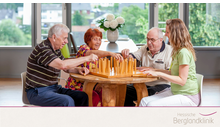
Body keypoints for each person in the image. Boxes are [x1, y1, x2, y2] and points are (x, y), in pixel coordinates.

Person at [25, 23, 98, 106]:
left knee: (82, 96)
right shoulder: (43, 49)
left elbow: (66, 68)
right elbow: (62, 65)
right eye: (64, 38)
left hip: (53, 88)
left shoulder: (56, 49)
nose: (66, 41)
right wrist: (86, 58)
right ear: (54, 37)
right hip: (37, 92)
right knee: (67, 100)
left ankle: (79, 118)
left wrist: (77, 69)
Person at [139, 18, 200, 106]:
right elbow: (172, 72)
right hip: (176, 92)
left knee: (151, 105)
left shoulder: (183, 52)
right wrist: (153, 70)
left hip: (187, 96)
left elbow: (182, 81)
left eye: (167, 32)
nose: (165, 34)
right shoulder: (176, 51)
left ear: (175, 34)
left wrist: (159, 74)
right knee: (144, 101)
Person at [65, 28, 123, 106]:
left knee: (108, 93)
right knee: (94, 97)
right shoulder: (83, 49)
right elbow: (91, 53)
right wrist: (110, 53)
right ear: (88, 40)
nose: (98, 42)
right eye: (95, 39)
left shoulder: (100, 57)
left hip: (92, 85)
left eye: (99, 39)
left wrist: (99, 84)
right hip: (78, 85)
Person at [121, 27, 173, 106]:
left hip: (162, 85)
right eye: (147, 39)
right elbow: (132, 57)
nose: (149, 42)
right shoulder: (145, 48)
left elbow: (170, 72)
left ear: (160, 40)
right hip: (144, 84)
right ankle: (129, 114)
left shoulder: (170, 51)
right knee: (124, 91)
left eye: (152, 40)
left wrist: (153, 70)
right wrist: (126, 55)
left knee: (144, 93)